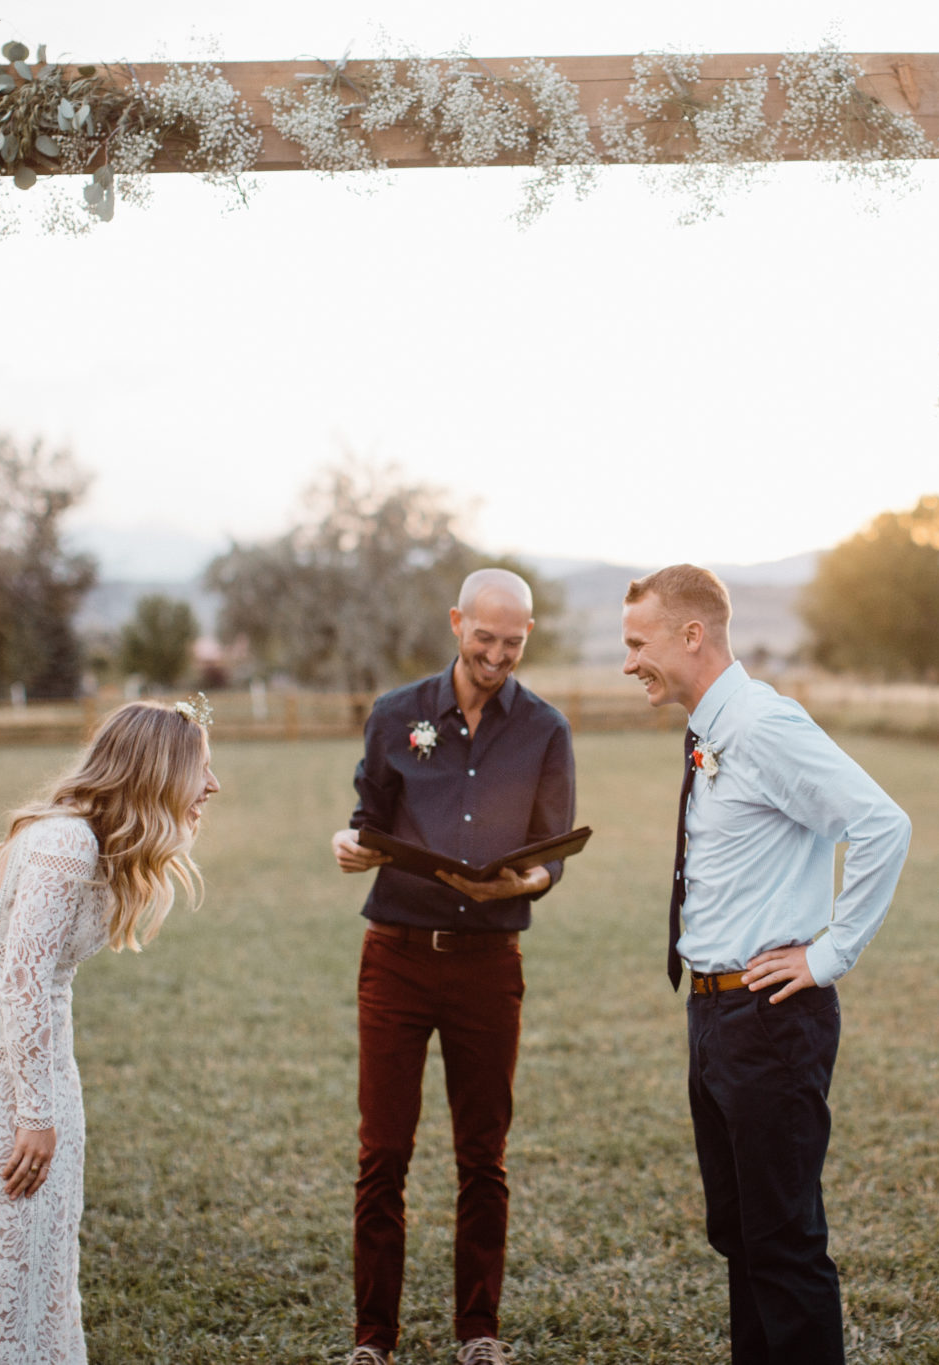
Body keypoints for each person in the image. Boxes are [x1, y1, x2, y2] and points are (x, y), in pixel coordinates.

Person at [620, 564, 911, 1365]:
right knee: (741, 1235)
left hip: (771, 1019)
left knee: (782, 1242)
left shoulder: (760, 725)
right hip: (714, 1015)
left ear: (692, 635)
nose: (627, 661)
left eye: (637, 643)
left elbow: (883, 824)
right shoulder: (712, 730)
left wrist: (829, 953)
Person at [0, 698, 220, 1363]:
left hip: (26, 1065)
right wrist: (35, 1111)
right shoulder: (66, 840)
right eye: (201, 769)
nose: (212, 786)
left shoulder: (69, 834)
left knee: (33, 1272)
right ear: (155, 770)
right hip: (4, 1085)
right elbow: (23, 977)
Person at [329, 568, 576, 1365]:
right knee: (383, 1153)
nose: (498, 653)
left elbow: (552, 851)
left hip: (488, 964)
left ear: (527, 635)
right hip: (397, 959)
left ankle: (479, 1332)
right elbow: (368, 819)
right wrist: (349, 844)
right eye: (485, 637)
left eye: (513, 640)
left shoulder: (545, 729)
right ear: (456, 623)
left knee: (483, 1155)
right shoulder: (396, 714)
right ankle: (374, 1339)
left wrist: (525, 879)